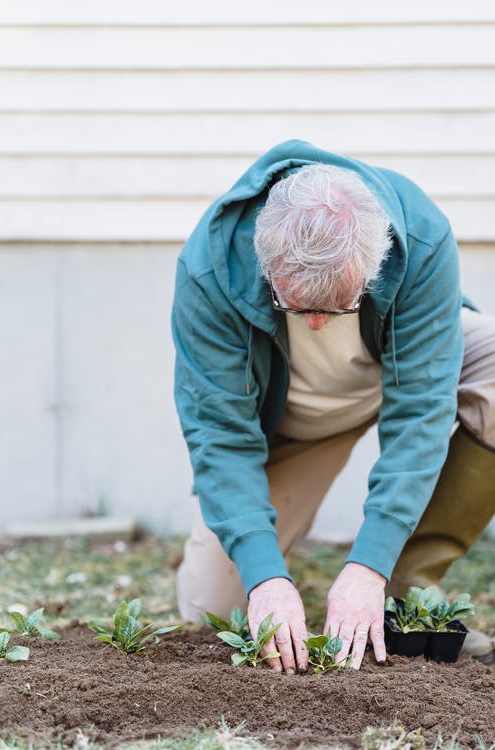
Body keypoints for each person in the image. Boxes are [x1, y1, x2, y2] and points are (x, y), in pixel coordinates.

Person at [171, 139, 495, 671]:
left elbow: (421, 409)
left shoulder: (419, 235)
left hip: (393, 373)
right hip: (294, 420)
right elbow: (220, 436)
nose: (317, 322)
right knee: (215, 611)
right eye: (296, 306)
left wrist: (370, 564)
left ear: (376, 261)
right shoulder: (211, 271)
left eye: (338, 305)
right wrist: (266, 578)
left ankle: (409, 577)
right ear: (263, 258)